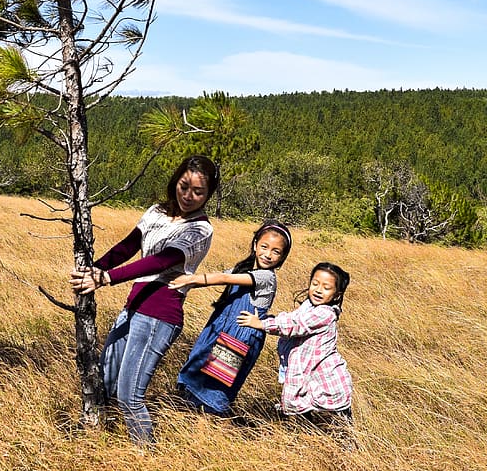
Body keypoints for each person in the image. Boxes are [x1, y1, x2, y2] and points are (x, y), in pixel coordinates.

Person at [70, 155, 219, 445]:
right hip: (133, 307)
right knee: (106, 382)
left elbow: (160, 262)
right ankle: (98, 442)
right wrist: (94, 268)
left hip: (159, 315)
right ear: (175, 180)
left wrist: (107, 278)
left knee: (130, 396)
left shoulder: (201, 229)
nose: (188, 195)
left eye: (198, 191)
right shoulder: (156, 212)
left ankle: (146, 456)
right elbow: (129, 245)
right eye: (184, 185)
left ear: (208, 195)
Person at [171, 221, 292, 417]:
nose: (268, 254)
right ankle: (189, 419)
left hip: (239, 337)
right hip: (222, 331)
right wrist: (185, 281)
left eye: (276, 251)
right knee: (198, 376)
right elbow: (222, 276)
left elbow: (224, 278)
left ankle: (213, 429)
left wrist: (191, 279)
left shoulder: (267, 277)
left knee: (216, 388)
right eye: (264, 247)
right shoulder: (243, 269)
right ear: (254, 245)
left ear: (283, 256)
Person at [238, 261, 353, 427]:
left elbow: (294, 325)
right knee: (308, 422)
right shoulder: (308, 306)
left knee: (339, 428)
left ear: (336, 294)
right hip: (311, 378)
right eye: (315, 284)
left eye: (326, 287)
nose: (319, 290)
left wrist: (262, 323)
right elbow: (292, 319)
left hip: (327, 382)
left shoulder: (325, 314)